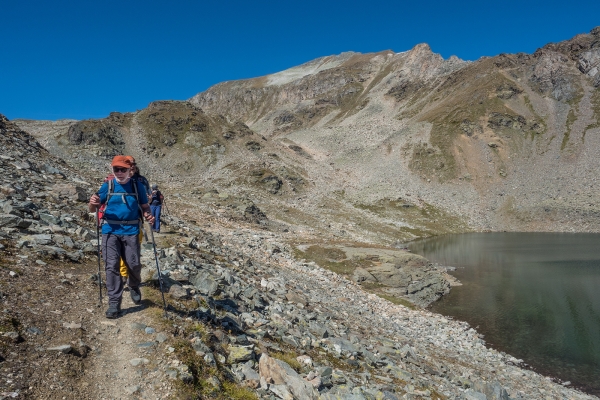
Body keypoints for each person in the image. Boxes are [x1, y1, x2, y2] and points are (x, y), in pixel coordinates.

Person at [89, 155, 154, 318]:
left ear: (129, 170)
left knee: (133, 264)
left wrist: (148, 215)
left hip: (131, 230)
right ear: (112, 169)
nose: (119, 172)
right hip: (110, 230)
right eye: (116, 169)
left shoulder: (137, 186)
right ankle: (114, 303)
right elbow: (92, 209)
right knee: (111, 266)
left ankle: (133, 285)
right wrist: (93, 202)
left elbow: (145, 206)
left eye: (122, 169)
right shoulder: (108, 185)